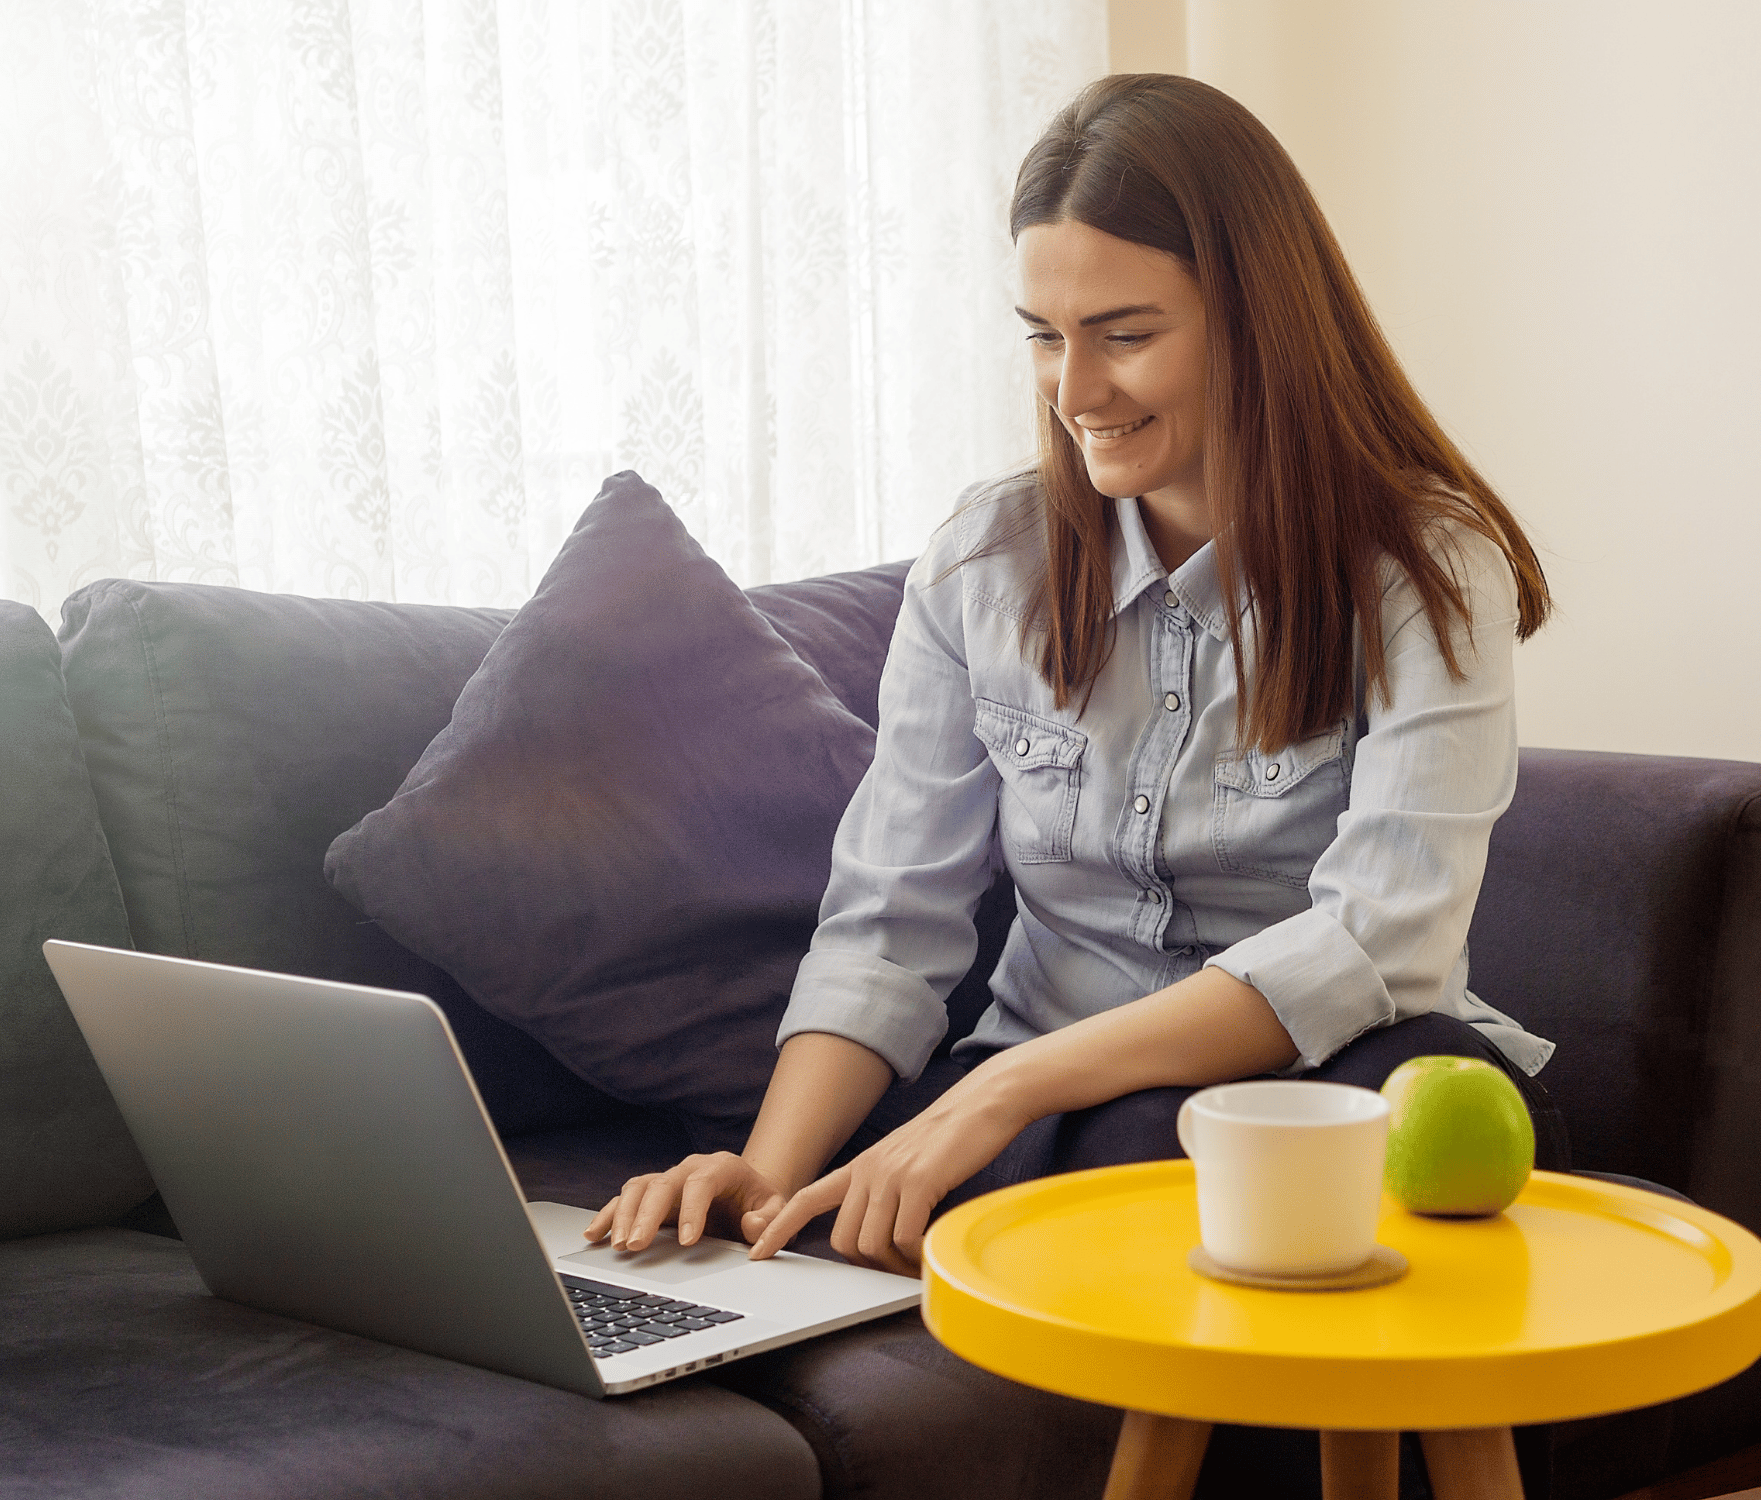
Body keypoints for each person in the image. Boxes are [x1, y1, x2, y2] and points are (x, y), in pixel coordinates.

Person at [587, 73, 1563, 1277]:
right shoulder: (983, 560)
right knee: (905, 1188)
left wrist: (1000, 1098)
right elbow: (893, 922)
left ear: (1262, 320)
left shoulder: (1424, 565)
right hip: (1041, 1105)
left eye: (1126, 335)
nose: (1075, 392)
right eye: (1045, 337)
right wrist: (767, 1171)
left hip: (1312, 1081)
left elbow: (1379, 940)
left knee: (1225, 1136)